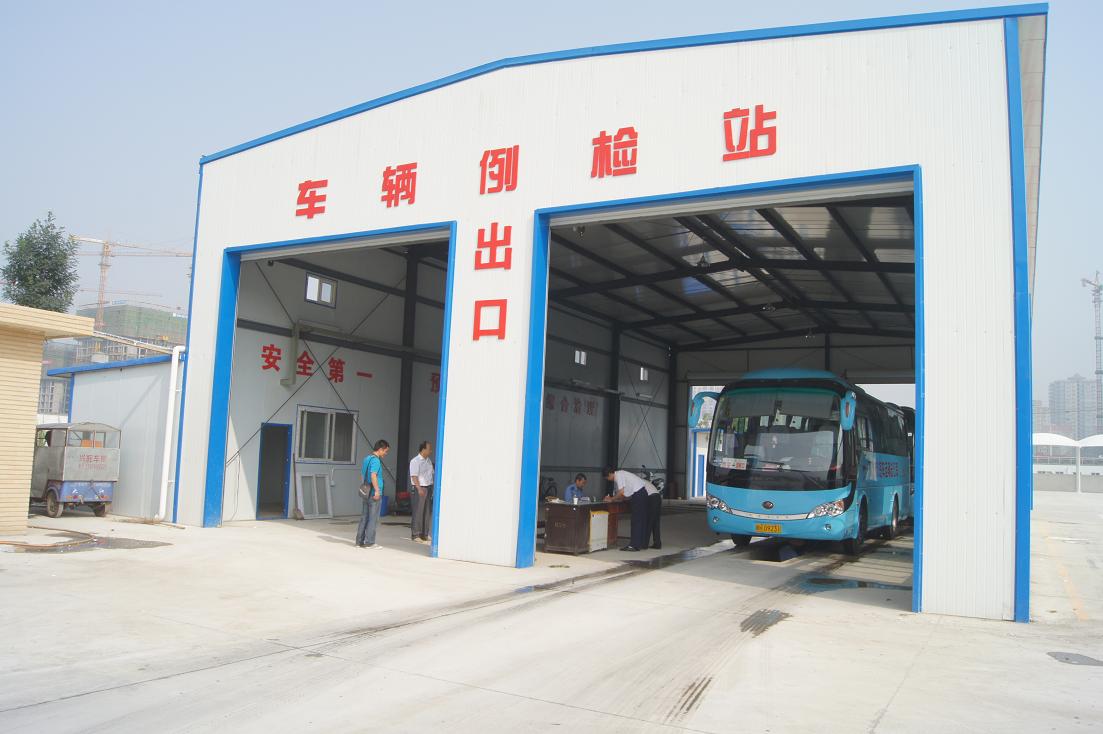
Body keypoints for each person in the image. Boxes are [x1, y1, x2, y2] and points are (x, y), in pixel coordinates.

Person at [602, 466, 655, 552]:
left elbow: (621, 492)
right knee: (642, 519)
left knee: (636, 520)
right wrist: (618, 498)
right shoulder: (623, 474)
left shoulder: (618, 476)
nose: (608, 480)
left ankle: (634, 545)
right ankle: (642, 544)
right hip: (642, 493)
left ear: (610, 474)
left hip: (638, 495)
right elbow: (624, 494)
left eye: (607, 478)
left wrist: (611, 499)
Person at [356, 439, 389, 549]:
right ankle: (370, 542)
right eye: (385, 451)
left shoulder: (367, 459)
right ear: (380, 449)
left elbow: (363, 474)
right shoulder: (376, 461)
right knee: (373, 518)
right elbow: (373, 475)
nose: (386, 453)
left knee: (364, 517)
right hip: (374, 493)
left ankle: (359, 541)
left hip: (366, 491)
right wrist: (377, 491)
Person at [408, 440, 434, 544]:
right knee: (418, 511)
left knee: (427, 512)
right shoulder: (415, 461)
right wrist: (419, 488)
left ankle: (425, 534)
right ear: (423, 449)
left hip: (428, 487)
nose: (431, 451)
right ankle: (416, 534)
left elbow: (431, 474)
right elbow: (414, 476)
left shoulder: (428, 461)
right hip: (419, 488)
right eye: (429, 449)